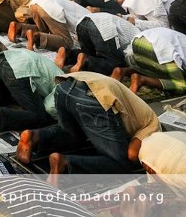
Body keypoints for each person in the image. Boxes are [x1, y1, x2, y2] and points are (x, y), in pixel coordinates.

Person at [17, 72, 160, 178]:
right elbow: (132, 154)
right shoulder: (154, 127)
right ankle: (66, 163)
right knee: (121, 162)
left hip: (66, 86)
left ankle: (35, 137)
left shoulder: (145, 114)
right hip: (93, 96)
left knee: (72, 136)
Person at [0, 49, 62, 132]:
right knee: (40, 116)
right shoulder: (64, 86)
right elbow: (50, 108)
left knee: (3, 95)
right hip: (17, 71)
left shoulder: (60, 74)